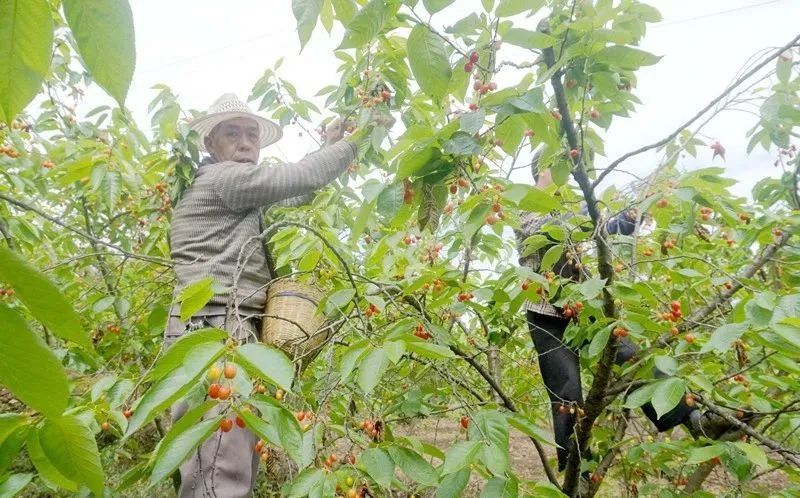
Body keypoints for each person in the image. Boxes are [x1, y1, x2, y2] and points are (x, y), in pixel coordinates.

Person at [163, 93, 363, 497]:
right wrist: (359, 139)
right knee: (220, 470)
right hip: (214, 328)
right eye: (232, 134)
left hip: (222, 328)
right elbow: (300, 178)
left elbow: (296, 191)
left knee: (224, 461)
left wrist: (329, 146)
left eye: (252, 135)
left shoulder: (234, 188)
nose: (245, 143)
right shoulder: (224, 179)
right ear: (210, 144)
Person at [515, 159, 729, 473]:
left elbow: (600, 231)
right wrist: (590, 215)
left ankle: (696, 419)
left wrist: (629, 218)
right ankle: (578, 469)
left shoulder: (571, 206)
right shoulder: (525, 202)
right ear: (542, 168)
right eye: (558, 164)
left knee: (633, 359)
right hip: (545, 313)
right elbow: (545, 231)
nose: (567, 172)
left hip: (582, 305)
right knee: (566, 391)